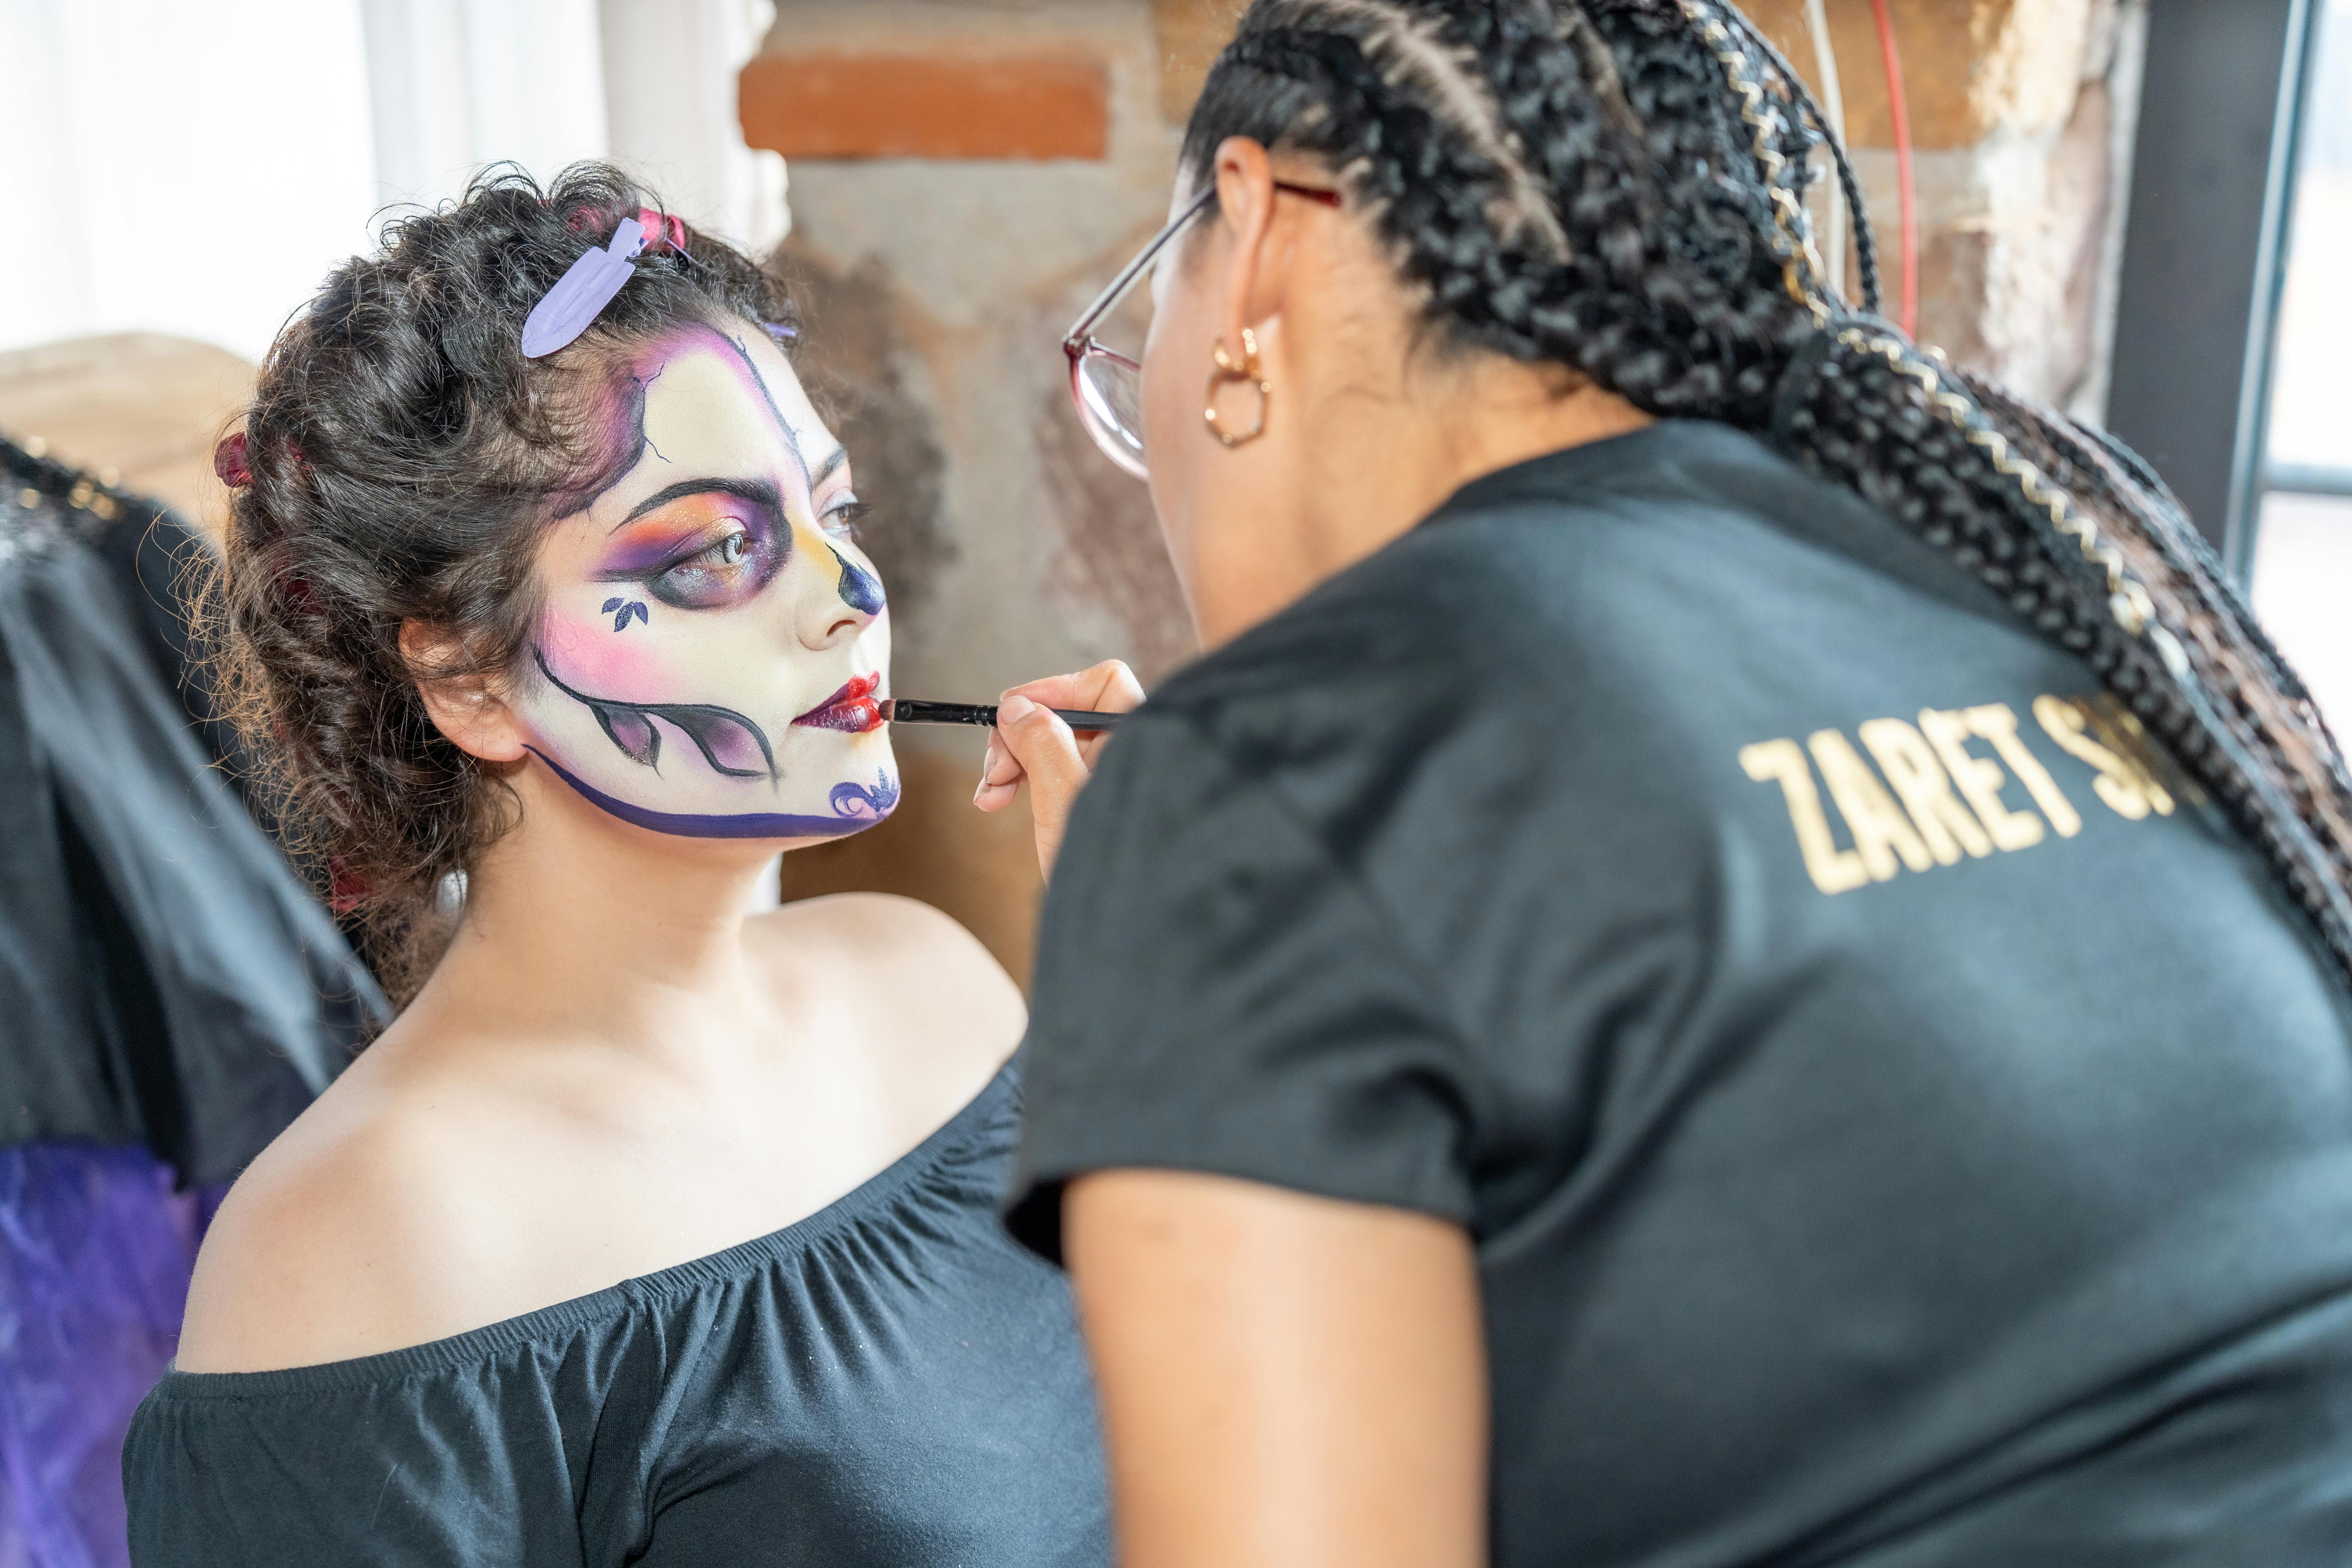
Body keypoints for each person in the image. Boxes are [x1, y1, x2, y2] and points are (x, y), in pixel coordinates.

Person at [980, 3, 2352, 1564]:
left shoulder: (1280, 766)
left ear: (1261, 228)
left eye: (1137, 329)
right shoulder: (2055, 568)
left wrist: (1197, 929)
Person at [122, 165, 1108, 1567]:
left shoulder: (933, 980)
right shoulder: (358, 1247)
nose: (851, 597)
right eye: (716, 551)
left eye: (838, 511)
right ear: (466, 675)